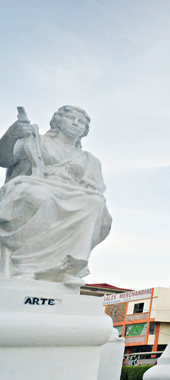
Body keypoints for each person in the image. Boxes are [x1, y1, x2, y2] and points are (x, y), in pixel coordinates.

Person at [0, 105, 112, 286]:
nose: (76, 124)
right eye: (71, 118)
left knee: (94, 202)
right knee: (39, 196)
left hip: (73, 193)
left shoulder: (90, 159)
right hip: (36, 185)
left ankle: (69, 268)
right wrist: (12, 134)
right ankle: (27, 266)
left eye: (81, 122)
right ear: (58, 121)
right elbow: (4, 159)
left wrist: (93, 185)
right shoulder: (36, 141)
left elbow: (99, 185)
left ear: (85, 131)